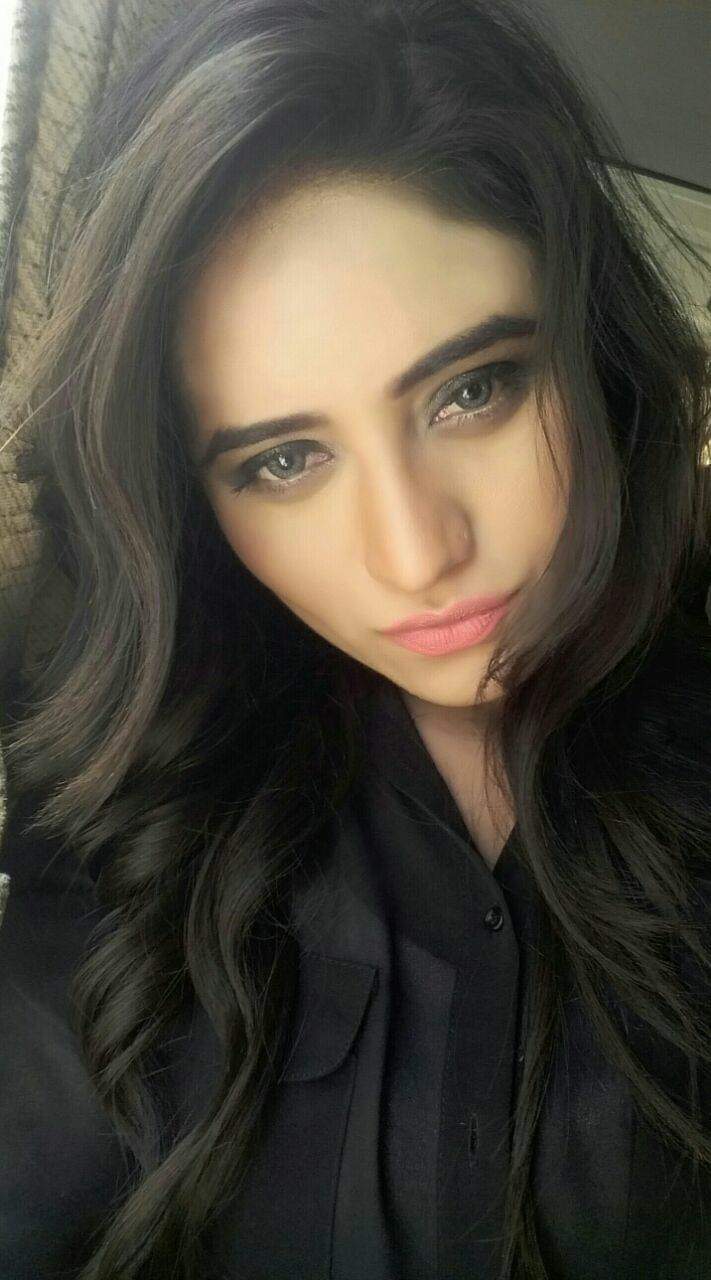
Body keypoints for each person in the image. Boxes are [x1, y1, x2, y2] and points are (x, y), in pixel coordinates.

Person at [0, 1, 709, 1277]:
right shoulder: (134, 789)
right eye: (283, 460)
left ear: (592, 350)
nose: (416, 551)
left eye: (473, 390)